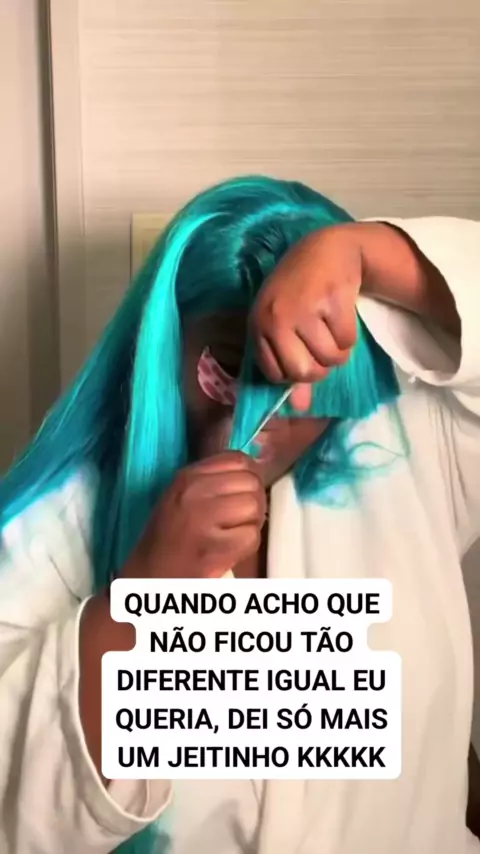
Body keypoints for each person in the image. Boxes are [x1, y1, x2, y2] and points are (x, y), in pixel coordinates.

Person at [0, 175, 479, 854]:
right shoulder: (56, 527)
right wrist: (147, 597)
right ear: (167, 341)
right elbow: (17, 809)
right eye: (231, 362)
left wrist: (364, 253)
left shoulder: (408, 449)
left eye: (307, 373)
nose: (270, 410)